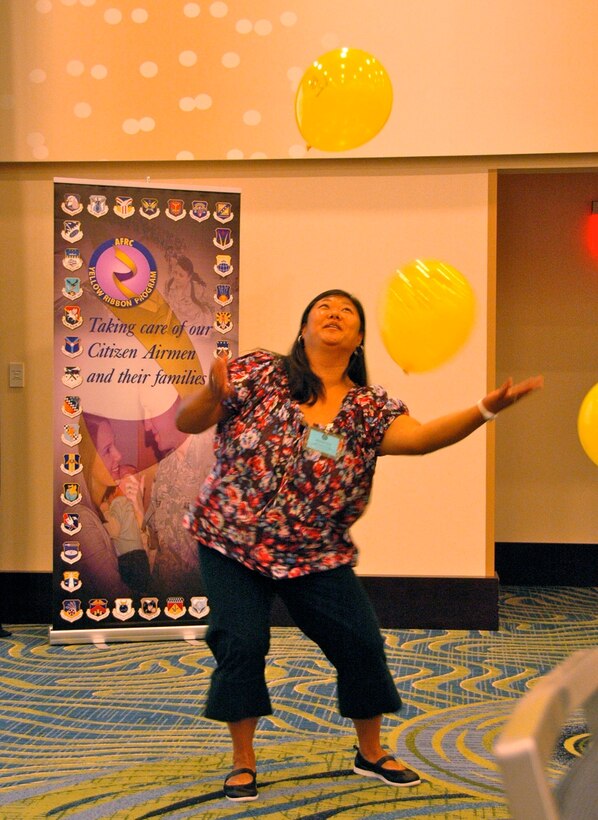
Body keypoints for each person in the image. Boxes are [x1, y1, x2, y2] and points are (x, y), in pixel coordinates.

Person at [176, 288, 543, 802]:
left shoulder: (369, 408)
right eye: (322, 307)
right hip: (232, 541)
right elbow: (186, 422)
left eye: (347, 310)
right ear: (303, 328)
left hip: (315, 552)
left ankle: (370, 752)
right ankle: (243, 760)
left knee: (363, 645)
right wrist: (212, 396)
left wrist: (485, 408)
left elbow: (421, 438)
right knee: (242, 642)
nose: (334, 313)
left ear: (360, 338)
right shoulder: (259, 372)